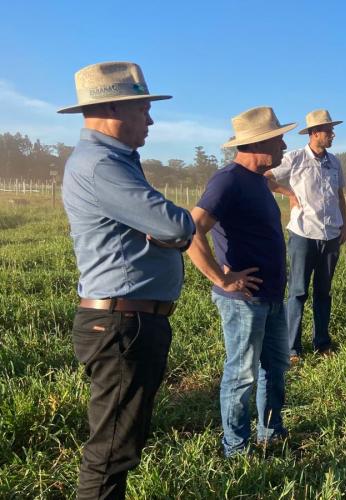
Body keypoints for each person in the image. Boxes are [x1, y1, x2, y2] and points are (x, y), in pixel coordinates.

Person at [60, 61, 195, 499]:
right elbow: (177, 225)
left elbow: (162, 226)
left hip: (128, 322)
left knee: (119, 445)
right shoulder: (102, 165)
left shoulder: (114, 162)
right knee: (112, 453)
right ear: (114, 106)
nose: (150, 119)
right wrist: (169, 233)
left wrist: (160, 230)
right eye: (143, 109)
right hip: (123, 325)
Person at [186, 106, 295, 457]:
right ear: (258, 143)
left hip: (272, 296)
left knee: (274, 369)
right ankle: (236, 448)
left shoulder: (258, 182)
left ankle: (271, 434)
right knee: (242, 375)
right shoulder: (227, 180)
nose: (284, 144)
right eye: (279, 139)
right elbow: (192, 229)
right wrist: (221, 276)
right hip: (244, 300)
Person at [266, 109, 346, 361]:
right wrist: (289, 194)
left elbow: (340, 194)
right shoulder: (295, 158)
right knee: (298, 292)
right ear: (314, 134)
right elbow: (266, 177)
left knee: (324, 292)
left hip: (330, 235)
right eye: (327, 130)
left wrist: (345, 224)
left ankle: (322, 343)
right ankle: (292, 348)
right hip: (303, 234)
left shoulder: (335, 162)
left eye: (332, 130)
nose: (332, 134)